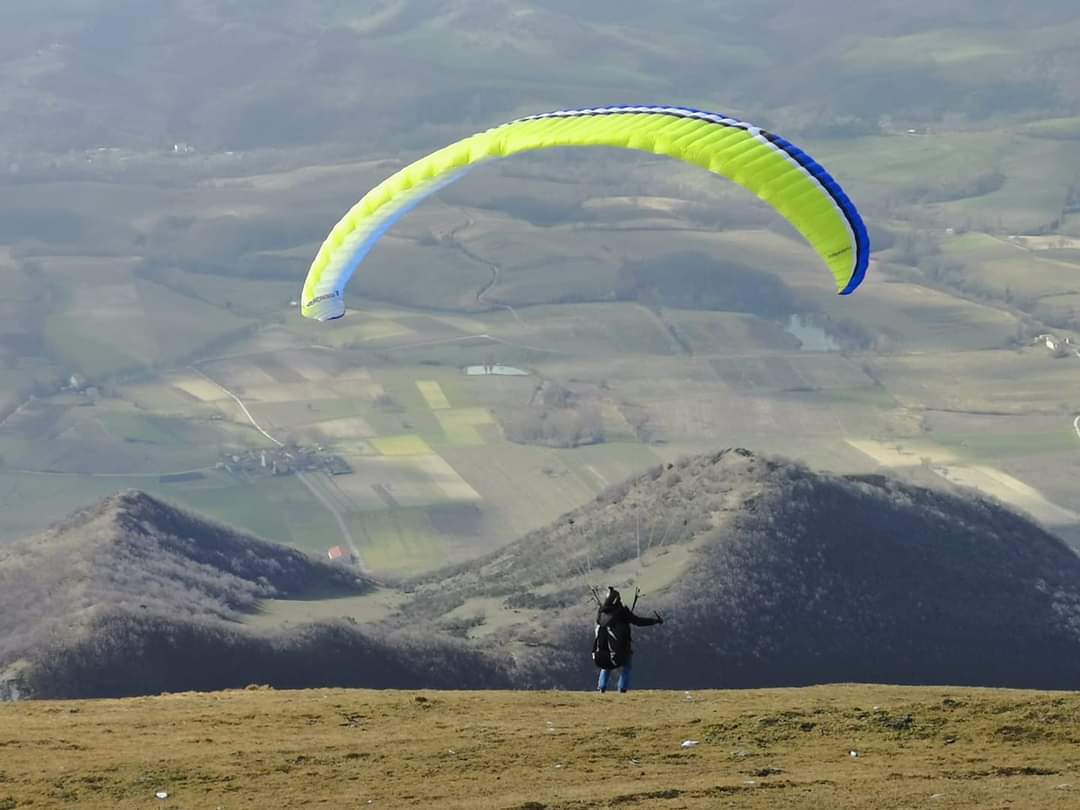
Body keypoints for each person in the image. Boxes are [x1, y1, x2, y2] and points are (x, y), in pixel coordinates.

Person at [593, 587, 663, 693]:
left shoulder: (601, 613)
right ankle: (622, 689)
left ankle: (601, 687)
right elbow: (638, 621)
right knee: (627, 666)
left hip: (601, 654)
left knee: (607, 665)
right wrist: (655, 621)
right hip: (620, 651)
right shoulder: (623, 612)